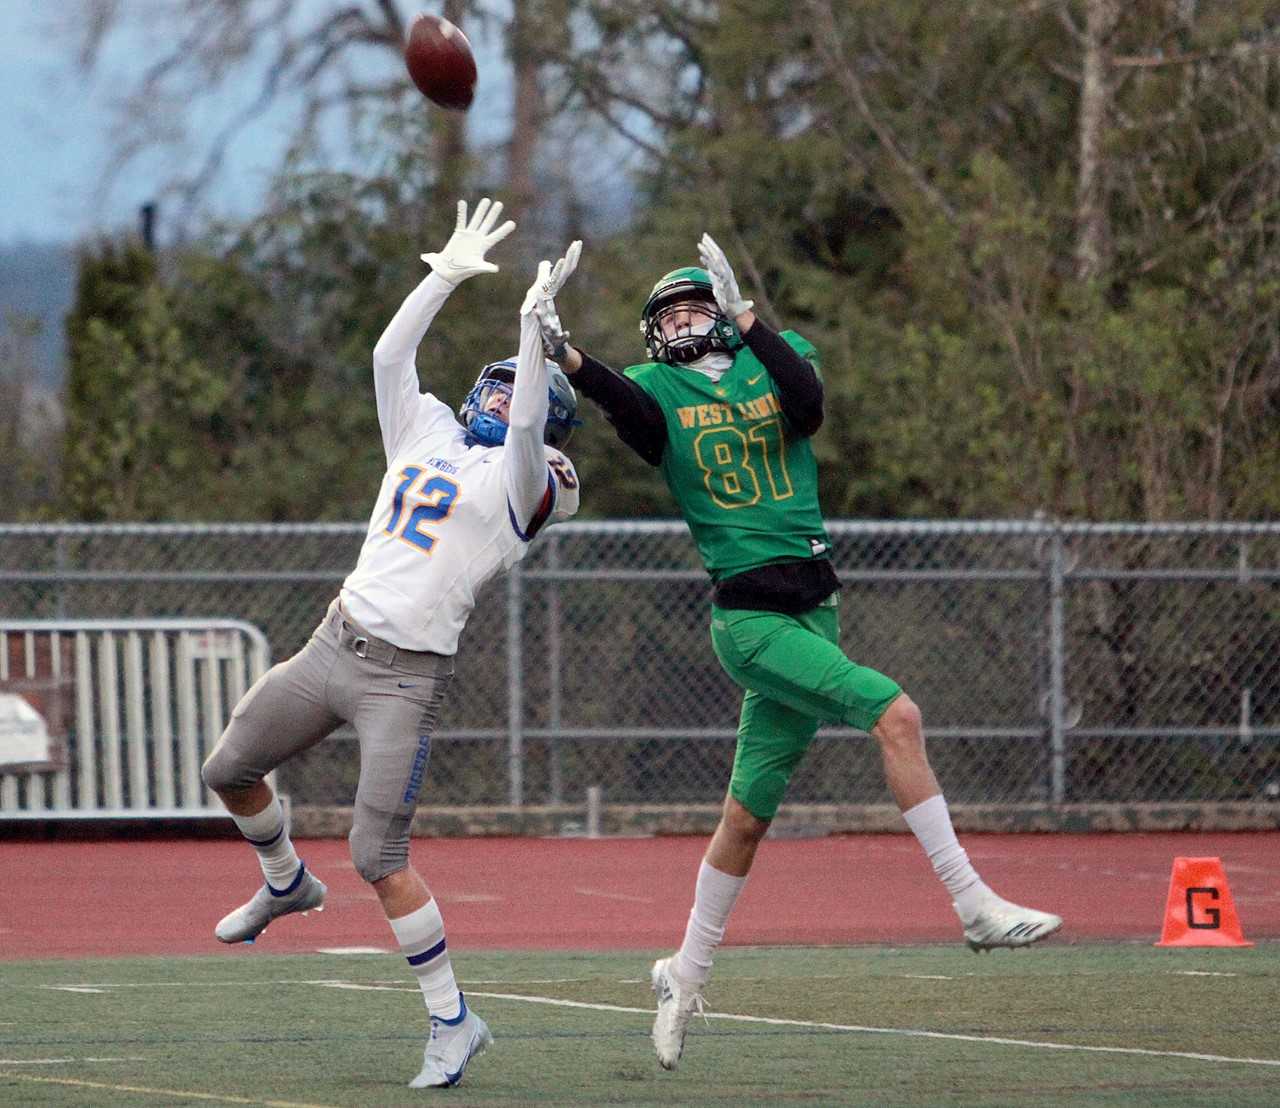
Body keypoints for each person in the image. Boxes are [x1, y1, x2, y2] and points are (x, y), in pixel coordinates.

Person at [530, 233, 1062, 1071]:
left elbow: (808, 406)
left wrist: (749, 320)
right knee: (898, 714)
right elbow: (625, 412)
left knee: (746, 818)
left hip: (817, 608)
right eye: (665, 314)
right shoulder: (656, 389)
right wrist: (562, 350)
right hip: (750, 619)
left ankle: (683, 972)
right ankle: (972, 904)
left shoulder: (771, 361)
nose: (679, 322)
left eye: (692, 306)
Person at [201, 198, 583, 1090]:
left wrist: (536, 337)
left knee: (378, 859)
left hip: (403, 682)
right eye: (488, 382)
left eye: (508, 385)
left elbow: (527, 428)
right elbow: (388, 357)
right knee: (227, 769)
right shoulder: (428, 431)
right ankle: (287, 880)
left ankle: (454, 1021)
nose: (493, 397)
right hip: (333, 643)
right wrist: (444, 275)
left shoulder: (533, 478)